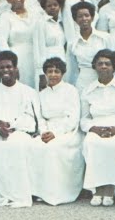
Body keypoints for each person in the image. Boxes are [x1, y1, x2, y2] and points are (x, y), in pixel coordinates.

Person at [0, 50, 41, 208]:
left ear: (16, 68)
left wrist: (10, 125)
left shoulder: (28, 92)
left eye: (9, 67)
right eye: (2, 68)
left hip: (19, 132)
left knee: (15, 145)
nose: (5, 70)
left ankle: (18, 195)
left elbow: (31, 121)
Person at [80, 48, 115, 206]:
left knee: (114, 145)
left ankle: (110, 188)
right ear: (95, 67)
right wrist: (94, 129)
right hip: (96, 126)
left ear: (114, 67)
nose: (104, 66)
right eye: (100, 64)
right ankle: (97, 188)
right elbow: (84, 119)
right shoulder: (88, 90)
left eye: (107, 64)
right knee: (91, 143)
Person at [30, 56, 84, 205]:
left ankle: (57, 193)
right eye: (50, 71)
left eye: (57, 71)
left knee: (53, 148)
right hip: (47, 131)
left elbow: (73, 118)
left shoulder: (71, 91)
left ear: (63, 73)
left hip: (68, 131)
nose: (53, 75)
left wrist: (56, 133)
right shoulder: (41, 94)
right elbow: (40, 118)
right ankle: (38, 191)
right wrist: (43, 132)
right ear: (45, 73)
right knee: (34, 146)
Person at [0, 0, 45, 91]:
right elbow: (2, 43)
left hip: (34, 59)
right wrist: (12, 65)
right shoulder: (5, 17)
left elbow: (40, 39)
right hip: (17, 61)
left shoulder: (35, 15)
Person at [66, 1, 112, 89]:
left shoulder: (105, 38)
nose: (84, 19)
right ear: (75, 19)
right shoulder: (72, 42)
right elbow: (72, 69)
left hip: (103, 79)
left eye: (87, 15)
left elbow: (113, 62)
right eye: (80, 16)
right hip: (83, 82)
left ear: (92, 17)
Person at [37, 0, 69, 88]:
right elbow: (38, 49)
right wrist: (41, 73)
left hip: (62, 62)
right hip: (48, 64)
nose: (53, 7)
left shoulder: (61, 23)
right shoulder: (41, 23)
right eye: (49, 5)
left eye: (55, 5)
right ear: (44, 7)